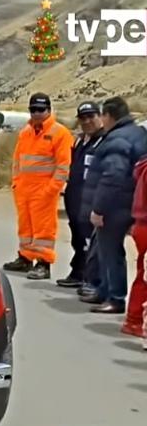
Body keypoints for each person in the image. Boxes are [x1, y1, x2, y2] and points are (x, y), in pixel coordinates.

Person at [81, 97, 147, 314]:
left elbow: (113, 177)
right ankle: (104, 289)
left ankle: (115, 297)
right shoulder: (138, 134)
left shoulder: (117, 139)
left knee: (111, 253)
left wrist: (99, 209)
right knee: (104, 250)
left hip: (116, 205)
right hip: (132, 202)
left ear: (108, 116)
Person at [3, 93, 72, 280]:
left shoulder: (60, 133)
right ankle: (25, 259)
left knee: (44, 230)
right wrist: (16, 182)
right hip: (24, 189)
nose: (37, 113)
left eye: (41, 109)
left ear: (49, 110)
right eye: (33, 110)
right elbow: (17, 160)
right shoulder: (25, 132)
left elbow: (63, 166)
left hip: (44, 190)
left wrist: (51, 190)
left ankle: (43, 263)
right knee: (25, 228)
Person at [56, 102, 104, 288]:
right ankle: (78, 272)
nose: (87, 121)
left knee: (90, 241)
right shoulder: (78, 140)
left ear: (100, 116)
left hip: (92, 199)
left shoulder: (104, 141)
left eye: (91, 116)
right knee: (77, 237)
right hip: (75, 196)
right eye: (83, 118)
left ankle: (92, 279)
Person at [125, 154, 147, 338]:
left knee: (143, 274)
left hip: (141, 225)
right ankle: (135, 321)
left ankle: (134, 319)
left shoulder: (143, 166)